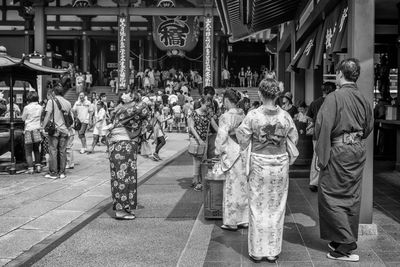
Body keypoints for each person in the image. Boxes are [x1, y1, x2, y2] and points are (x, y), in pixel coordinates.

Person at [315, 58, 373, 262]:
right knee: (351, 195)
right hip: (357, 150)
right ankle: (340, 238)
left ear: (340, 74)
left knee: (330, 194)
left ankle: (346, 244)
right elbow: (368, 127)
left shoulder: (334, 97)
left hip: (339, 151)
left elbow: (322, 127)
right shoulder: (363, 99)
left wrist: (322, 157)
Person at [236, 78, 298, 263]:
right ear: (277, 95)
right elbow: (293, 138)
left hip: (259, 163)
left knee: (257, 206)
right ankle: (272, 250)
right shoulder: (285, 116)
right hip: (279, 163)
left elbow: (242, 137)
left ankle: (257, 250)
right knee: (277, 206)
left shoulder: (253, 115)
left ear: (261, 95)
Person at [106, 92, 150, 220]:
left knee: (124, 176)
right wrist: (143, 101)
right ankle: (121, 209)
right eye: (125, 94)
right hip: (123, 144)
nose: (125, 95)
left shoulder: (122, 109)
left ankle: (125, 207)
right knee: (123, 176)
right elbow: (143, 110)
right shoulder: (129, 109)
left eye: (128, 94)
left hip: (122, 144)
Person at [215, 89, 249, 231]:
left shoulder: (226, 116)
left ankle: (231, 221)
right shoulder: (243, 114)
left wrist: (218, 151)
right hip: (242, 151)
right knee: (243, 186)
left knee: (230, 187)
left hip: (231, 152)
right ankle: (244, 219)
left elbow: (222, 136)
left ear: (227, 100)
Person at [306, 82, 336, 192]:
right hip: (331, 135)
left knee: (316, 158)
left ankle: (314, 182)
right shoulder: (334, 102)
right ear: (331, 91)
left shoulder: (314, 103)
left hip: (317, 135)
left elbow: (308, 118)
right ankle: (328, 183)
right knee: (331, 158)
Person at [42, 85, 72, 179]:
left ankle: (54, 172)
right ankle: (62, 172)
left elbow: (47, 115)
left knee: (53, 151)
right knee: (63, 151)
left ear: (54, 92)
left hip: (55, 130)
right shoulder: (68, 103)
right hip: (65, 130)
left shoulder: (51, 101)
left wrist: (42, 127)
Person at [188, 97, 212, 192]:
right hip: (195, 139)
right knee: (197, 160)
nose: (207, 107)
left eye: (209, 105)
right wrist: (198, 139)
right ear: (201, 103)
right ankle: (197, 182)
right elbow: (191, 127)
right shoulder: (194, 113)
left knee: (199, 161)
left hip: (204, 139)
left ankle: (197, 180)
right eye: (206, 105)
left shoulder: (207, 114)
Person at [21, 91, 43, 174]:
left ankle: (30, 168)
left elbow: (23, 118)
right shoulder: (40, 107)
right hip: (37, 129)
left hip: (29, 130)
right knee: (37, 149)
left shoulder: (27, 107)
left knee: (28, 151)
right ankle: (38, 166)